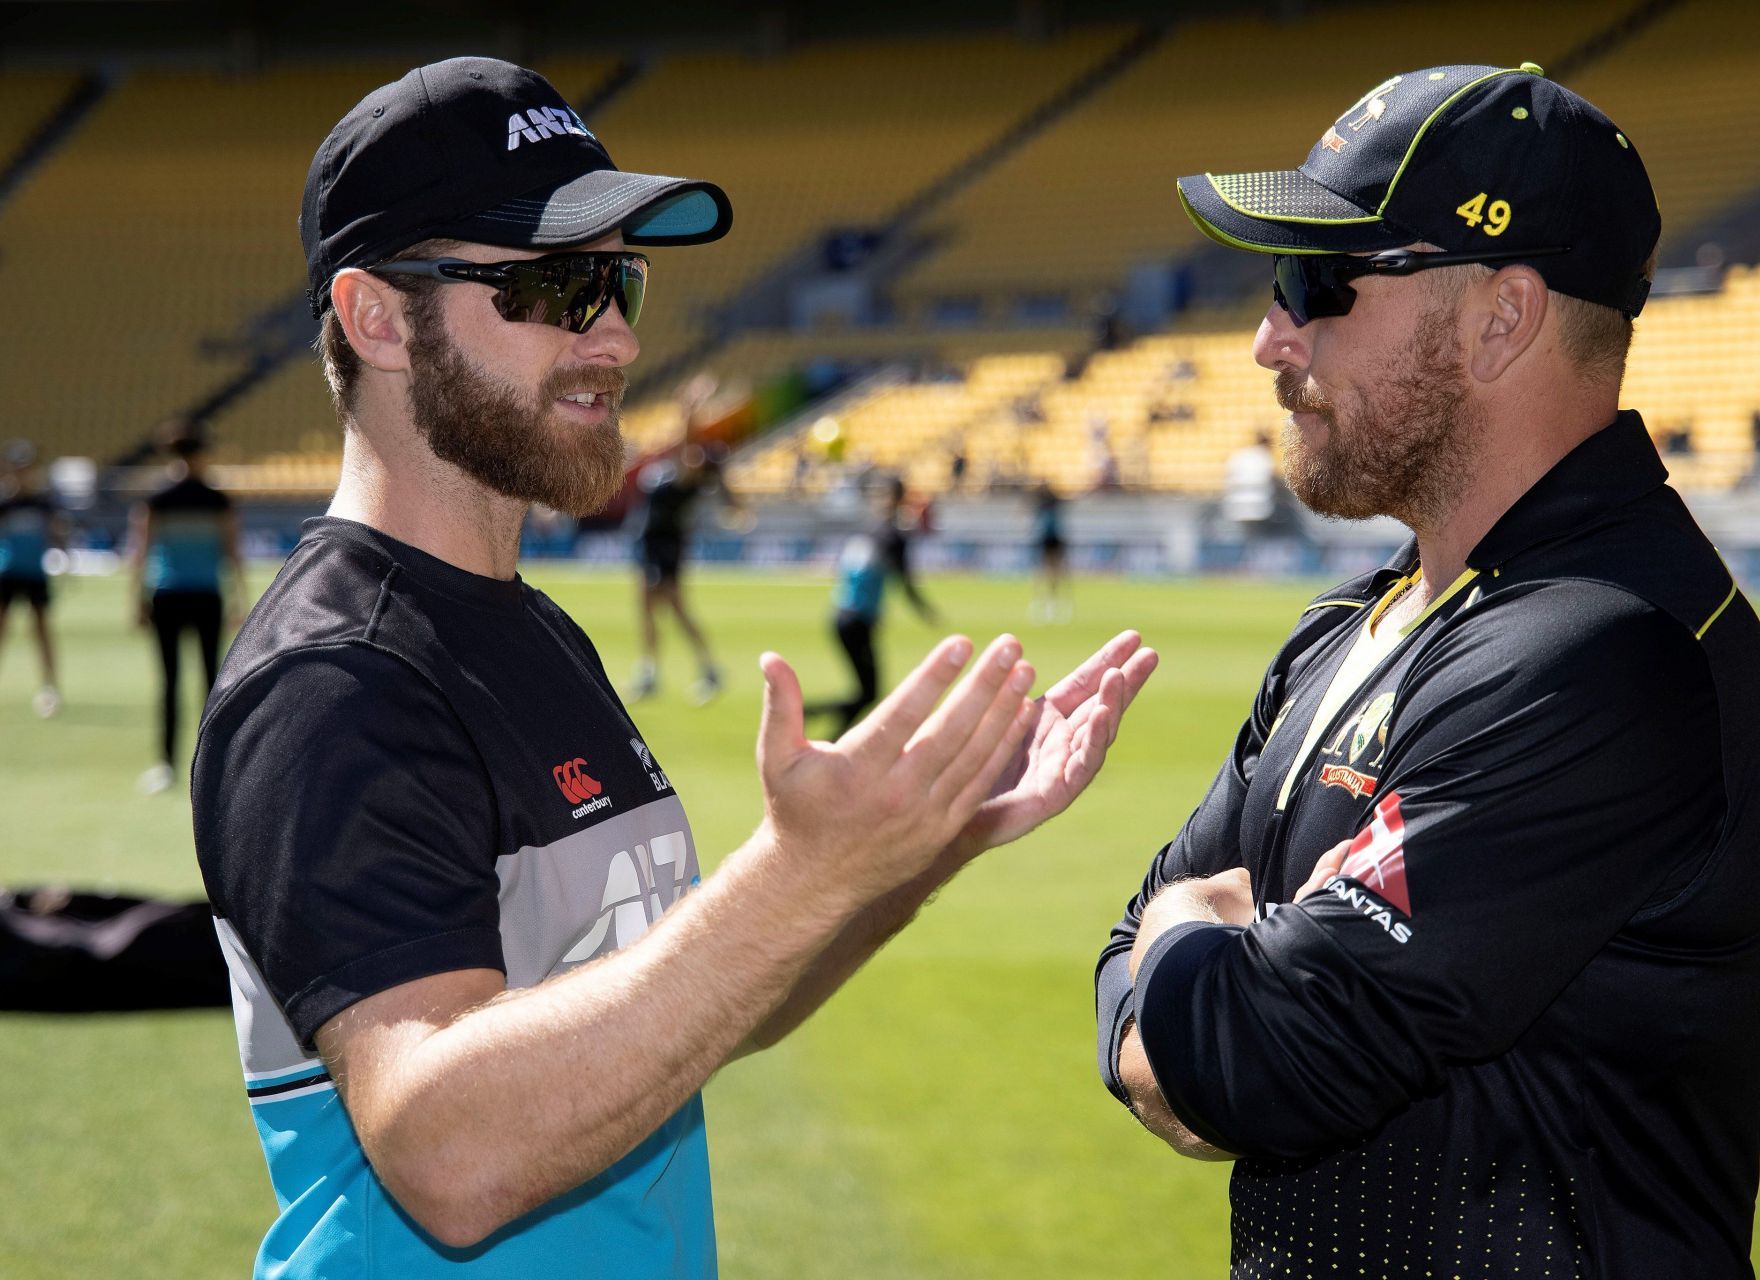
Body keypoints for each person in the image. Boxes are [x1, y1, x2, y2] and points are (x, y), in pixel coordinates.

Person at [192, 58, 1154, 1280]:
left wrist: (912, 849)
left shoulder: (529, 630)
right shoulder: (335, 680)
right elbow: (447, 1150)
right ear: (378, 317)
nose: (618, 336)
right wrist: (789, 869)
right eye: (556, 284)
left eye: (620, 279)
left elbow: (689, 1022)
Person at [1098, 61, 1760, 1278]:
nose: (1269, 337)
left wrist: (1201, 957)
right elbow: (1135, 971)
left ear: (1501, 317)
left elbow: (1252, 1054)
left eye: (1318, 282)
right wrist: (1191, 952)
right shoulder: (1343, 630)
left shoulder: (1606, 646)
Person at [127, 429, 244, 793]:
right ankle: (206, 765)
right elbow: (231, 551)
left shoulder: (160, 498)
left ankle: (172, 765)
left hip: (174, 594)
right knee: (199, 682)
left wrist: (136, 599)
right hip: (198, 595)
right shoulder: (214, 500)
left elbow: (141, 552)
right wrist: (239, 597)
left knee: (180, 682)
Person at [805, 474, 938, 739]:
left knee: (866, 692)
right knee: (869, 692)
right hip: (858, 619)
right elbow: (906, 582)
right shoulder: (894, 536)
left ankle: (829, 733)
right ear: (902, 499)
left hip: (843, 615)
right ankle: (817, 721)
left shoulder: (867, 530)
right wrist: (926, 611)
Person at [630, 374, 731, 703]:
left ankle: (707, 669)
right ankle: (651, 672)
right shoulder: (679, 474)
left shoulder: (688, 479)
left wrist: (689, 407)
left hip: (664, 548)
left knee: (674, 609)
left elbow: (686, 440)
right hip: (651, 546)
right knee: (649, 608)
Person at [0, 440, 65, 718]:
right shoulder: (5, 503)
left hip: (34, 573)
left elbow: (56, 532)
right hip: (7, 572)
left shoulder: (41, 503)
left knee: (41, 630)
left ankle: (50, 686)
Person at [1030, 479, 1071, 623]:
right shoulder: (1042, 503)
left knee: (1054, 572)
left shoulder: (1051, 502)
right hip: (1047, 540)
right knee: (1046, 572)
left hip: (1052, 539)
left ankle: (1054, 602)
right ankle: (1044, 602)